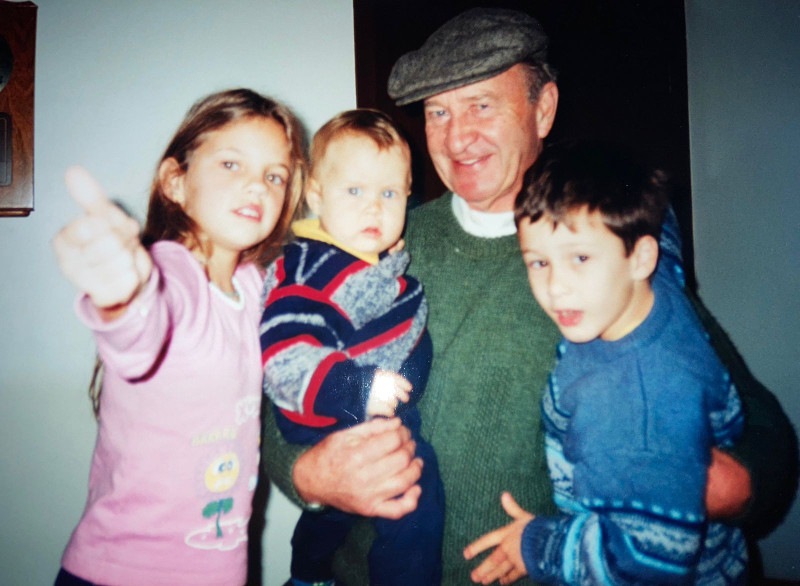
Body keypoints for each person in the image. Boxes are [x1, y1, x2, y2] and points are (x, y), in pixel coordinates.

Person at [262, 8, 797, 584]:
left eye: (481, 105)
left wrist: (688, 485)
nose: (457, 136)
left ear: (543, 110)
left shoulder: (601, 252)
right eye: (438, 111)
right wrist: (310, 475)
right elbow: (280, 384)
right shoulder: (375, 241)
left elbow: (765, 440)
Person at [51, 88, 305, 586]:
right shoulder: (171, 272)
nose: (256, 186)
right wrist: (122, 298)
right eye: (231, 164)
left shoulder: (255, 286)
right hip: (122, 572)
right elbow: (141, 329)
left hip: (219, 569)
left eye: (274, 175)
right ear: (176, 181)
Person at [464, 140, 748, 585]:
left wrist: (535, 544)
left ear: (640, 257)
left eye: (580, 258)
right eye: (538, 262)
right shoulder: (656, 282)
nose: (556, 287)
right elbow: (664, 237)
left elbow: (650, 560)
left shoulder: (633, 404)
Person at [259, 109, 444, 586]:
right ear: (315, 194)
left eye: (389, 194)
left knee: (333, 519)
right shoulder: (309, 267)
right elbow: (284, 358)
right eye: (355, 191)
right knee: (414, 497)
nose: (373, 209)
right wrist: (358, 389)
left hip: (368, 406)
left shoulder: (369, 261)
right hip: (340, 406)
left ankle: (308, 572)